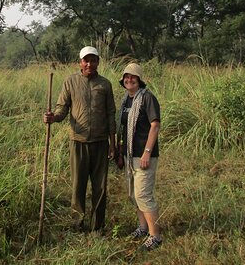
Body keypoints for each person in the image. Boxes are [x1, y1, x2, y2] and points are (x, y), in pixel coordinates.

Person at [43, 46, 117, 232]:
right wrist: (53, 117)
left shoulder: (105, 84)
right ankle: (77, 223)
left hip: (100, 142)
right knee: (78, 186)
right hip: (78, 141)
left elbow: (111, 115)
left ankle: (97, 226)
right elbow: (62, 108)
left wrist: (113, 144)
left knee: (100, 188)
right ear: (80, 62)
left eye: (93, 60)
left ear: (98, 62)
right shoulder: (70, 82)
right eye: (86, 60)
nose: (89, 64)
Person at [115, 63, 162, 251]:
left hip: (143, 156)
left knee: (143, 194)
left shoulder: (148, 98)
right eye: (126, 77)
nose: (129, 79)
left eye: (133, 77)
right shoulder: (127, 100)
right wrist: (119, 151)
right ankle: (143, 228)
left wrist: (147, 153)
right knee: (134, 195)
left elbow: (155, 125)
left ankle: (155, 235)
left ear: (139, 79)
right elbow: (123, 128)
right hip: (129, 155)